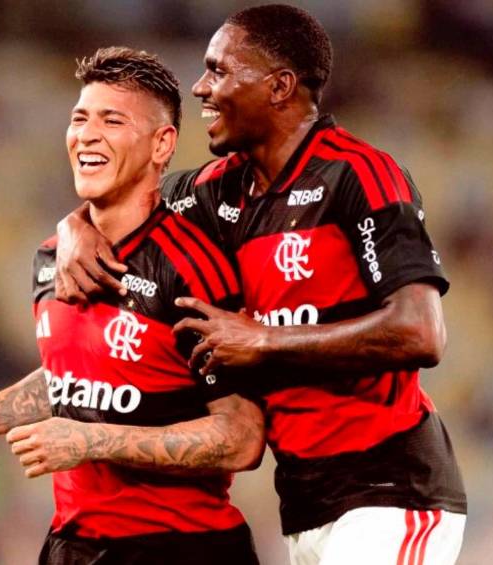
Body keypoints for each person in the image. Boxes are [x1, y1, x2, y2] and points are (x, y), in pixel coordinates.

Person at [54, 5, 468, 565]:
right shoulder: (216, 191)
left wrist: (263, 341)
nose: (201, 87)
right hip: (306, 501)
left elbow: (421, 332)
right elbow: (129, 199)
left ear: (279, 87)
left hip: (393, 489)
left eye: (219, 71)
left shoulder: (359, 175)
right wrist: (75, 225)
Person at [0, 46, 265, 565]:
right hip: (73, 546)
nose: (87, 135)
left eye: (112, 120)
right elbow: (76, 378)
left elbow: (241, 437)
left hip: (180, 548)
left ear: (162, 143)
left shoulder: (192, 267)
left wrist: (90, 440)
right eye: (80, 118)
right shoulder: (51, 258)